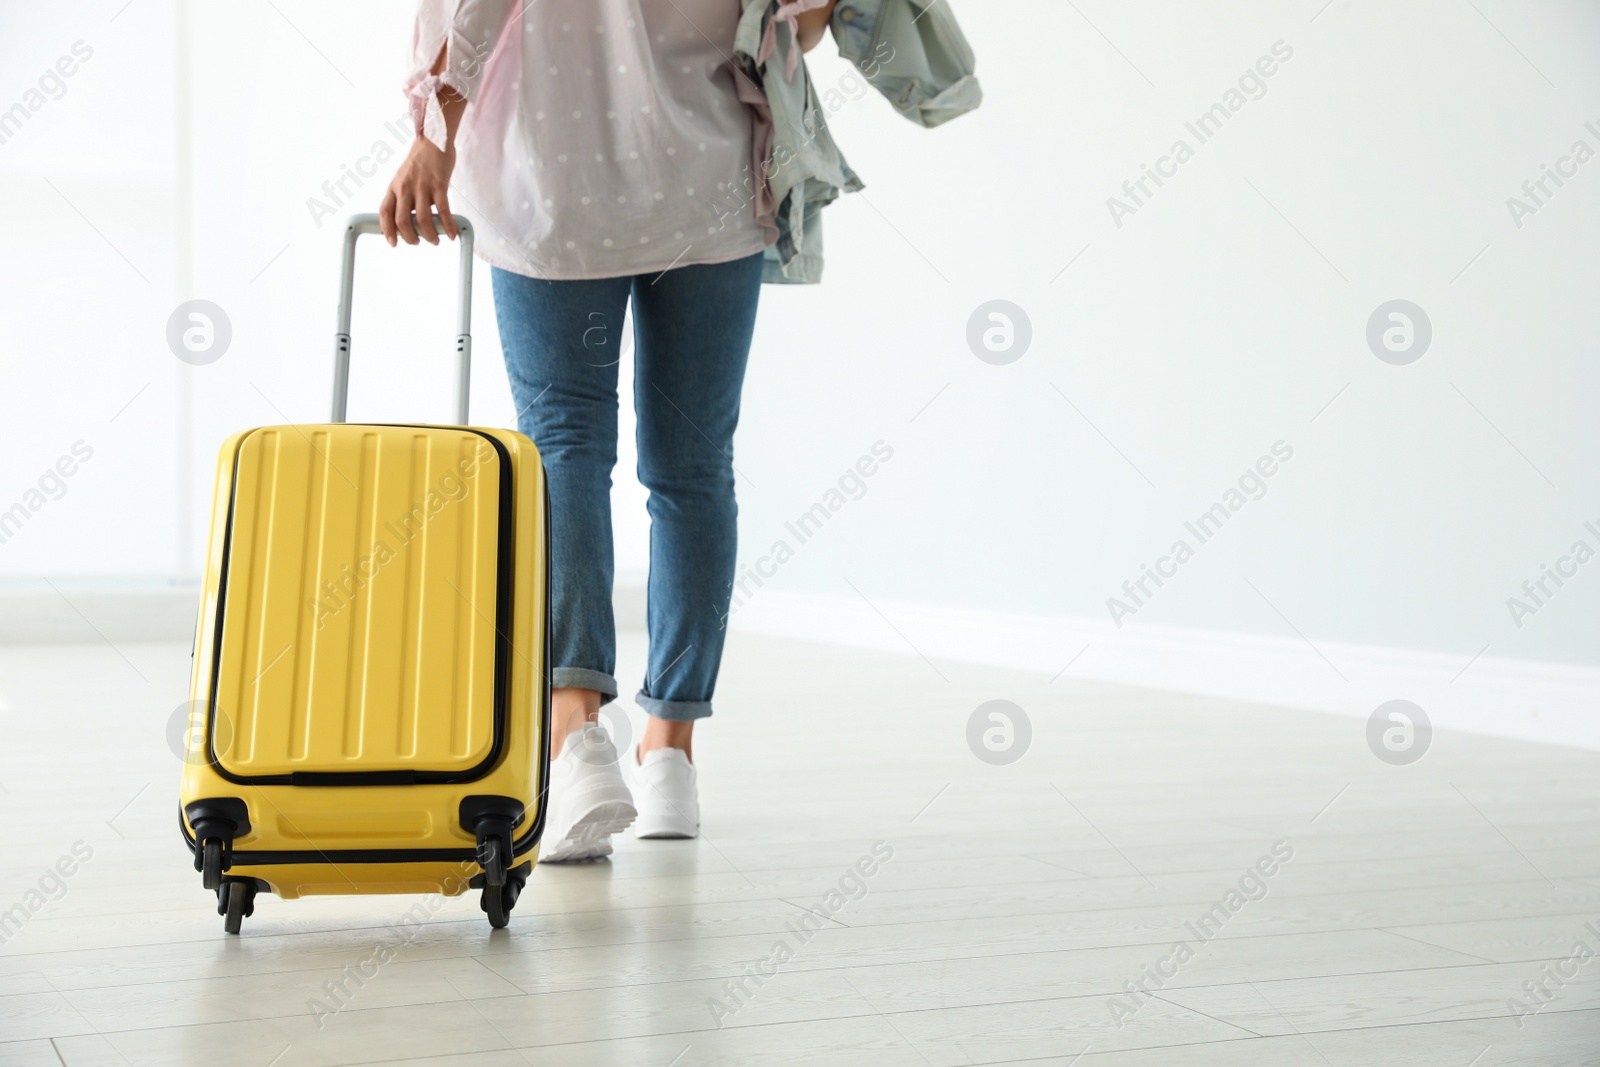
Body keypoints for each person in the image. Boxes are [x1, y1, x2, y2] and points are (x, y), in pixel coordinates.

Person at [380, 0, 836, 862]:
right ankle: (670, 755)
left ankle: (576, 736)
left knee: (565, 451)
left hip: (553, 175)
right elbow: (798, 23)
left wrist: (435, 139)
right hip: (705, 170)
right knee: (694, 468)